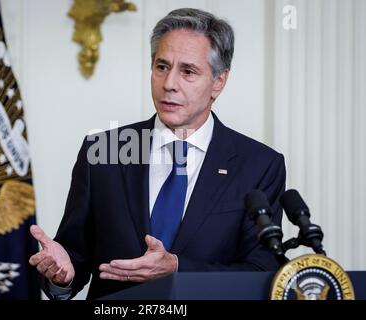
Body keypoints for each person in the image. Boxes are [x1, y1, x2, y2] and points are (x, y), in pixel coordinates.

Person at [29, 8, 286, 300]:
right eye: (161, 67)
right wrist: (62, 275)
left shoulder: (259, 165)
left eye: (187, 71)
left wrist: (177, 268)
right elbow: (74, 256)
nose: (169, 84)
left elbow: (261, 272)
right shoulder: (103, 152)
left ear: (219, 81)